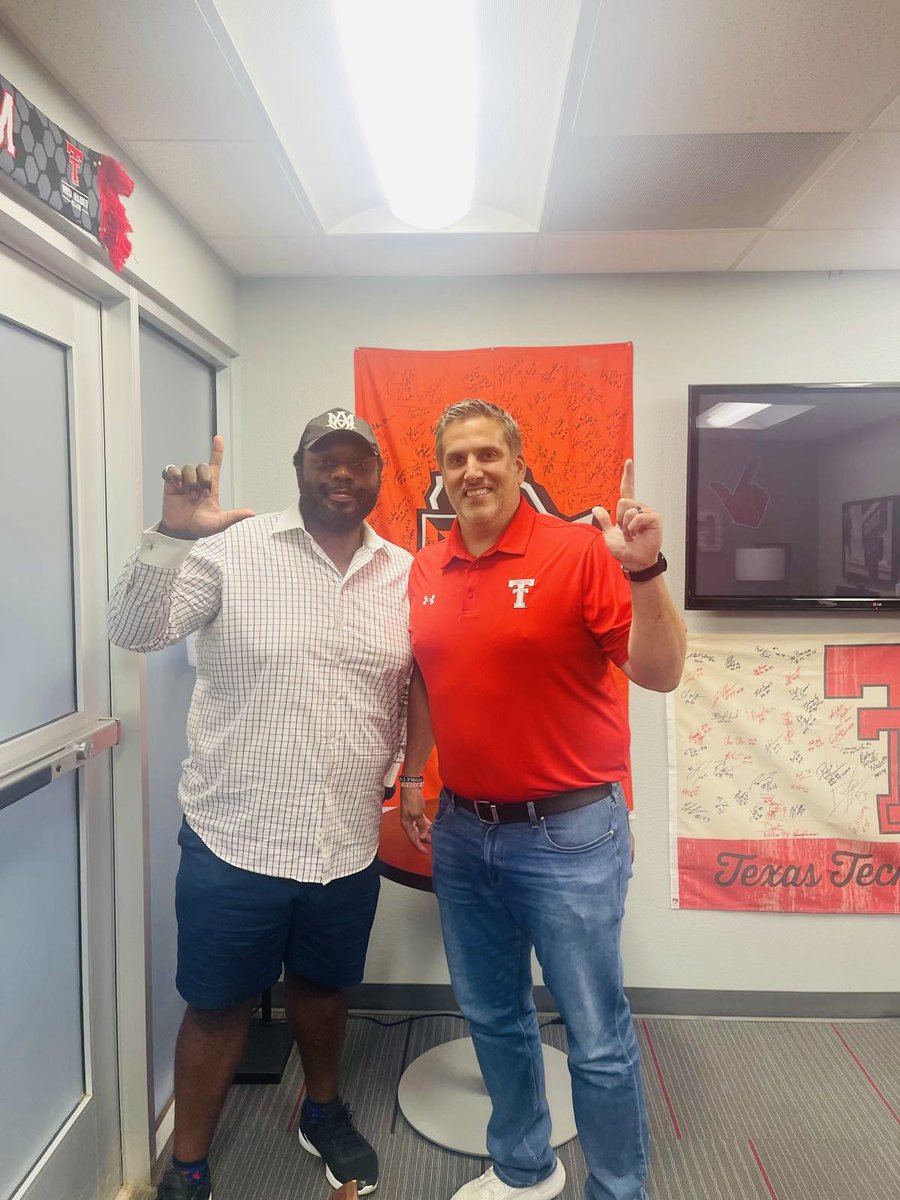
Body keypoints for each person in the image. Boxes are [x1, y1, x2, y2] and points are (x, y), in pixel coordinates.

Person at [108, 409, 413, 1200]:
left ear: (380, 476)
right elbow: (134, 630)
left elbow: (414, 687)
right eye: (325, 458)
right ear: (299, 466)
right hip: (233, 835)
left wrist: (409, 771)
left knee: (322, 987)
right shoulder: (231, 550)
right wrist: (172, 535)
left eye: (358, 461)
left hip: (345, 839)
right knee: (217, 1006)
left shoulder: (405, 574)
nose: (341, 474)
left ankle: (322, 1110)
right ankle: (189, 1166)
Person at [399, 399, 685, 1200]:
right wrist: (414, 773)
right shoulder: (426, 567)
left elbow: (660, 673)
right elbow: (428, 675)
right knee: (493, 1018)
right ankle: (525, 1169)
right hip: (463, 831)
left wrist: (647, 571)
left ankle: (618, 1189)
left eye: (488, 454)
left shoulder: (579, 553)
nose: (473, 471)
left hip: (570, 836)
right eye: (456, 459)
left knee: (594, 1037)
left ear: (520, 466)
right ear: (441, 475)